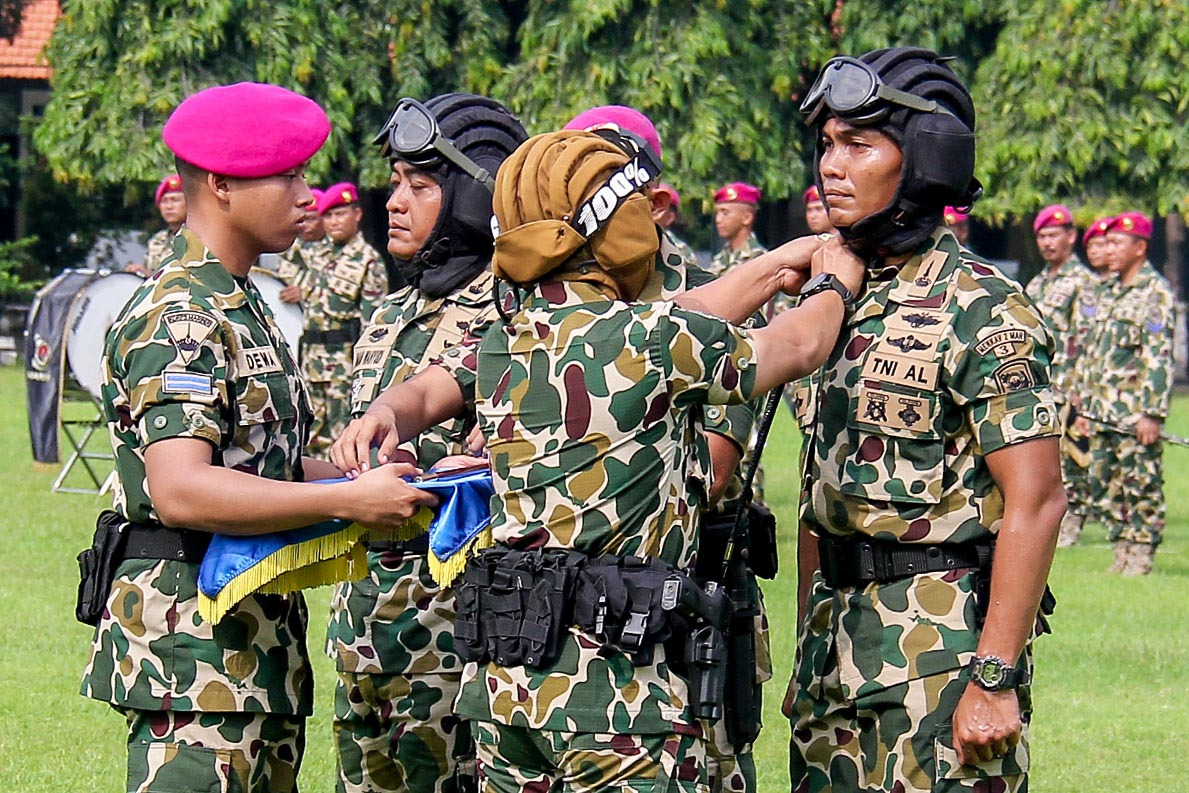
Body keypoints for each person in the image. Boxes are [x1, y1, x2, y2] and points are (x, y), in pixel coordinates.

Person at [332, 129, 865, 791]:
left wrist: (773, 264)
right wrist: (833, 282)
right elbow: (799, 344)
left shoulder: (508, 340)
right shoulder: (652, 341)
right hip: (615, 698)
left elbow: (682, 312)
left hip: (507, 689)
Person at [79, 82, 437, 793]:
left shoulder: (238, 301)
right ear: (220, 185)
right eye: (287, 176)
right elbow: (182, 488)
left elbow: (259, 464)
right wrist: (347, 500)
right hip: (194, 656)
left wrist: (376, 478)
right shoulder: (181, 313)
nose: (306, 197)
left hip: (250, 651)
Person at [787, 47, 1065, 793]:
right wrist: (805, 651)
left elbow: (1037, 498)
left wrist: (994, 678)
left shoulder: (981, 306)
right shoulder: (832, 297)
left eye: (858, 145)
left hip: (937, 659)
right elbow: (820, 494)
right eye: (827, 144)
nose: (831, 166)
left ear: (924, 164)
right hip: (832, 654)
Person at [567, 103, 772, 793]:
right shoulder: (560, 297)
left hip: (689, 600)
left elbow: (712, 467)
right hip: (584, 610)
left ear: (654, 202)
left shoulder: (708, 301)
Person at [325, 92, 527, 793]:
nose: (395, 202)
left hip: (457, 635)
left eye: (420, 184)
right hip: (364, 627)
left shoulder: (520, 312)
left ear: (473, 197)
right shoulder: (389, 313)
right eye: (394, 182)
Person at [1073, 212, 1173, 575]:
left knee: (1141, 482)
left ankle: (1141, 551)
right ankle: (1121, 549)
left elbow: (1158, 356)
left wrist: (1152, 414)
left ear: (1140, 248)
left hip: (1133, 412)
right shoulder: (1108, 292)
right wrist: (1084, 405)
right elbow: (1093, 352)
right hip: (1101, 410)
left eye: (1117, 243)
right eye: (1108, 243)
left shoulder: (1154, 294)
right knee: (1105, 483)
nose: (1109, 250)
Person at [1024, 204, 1097, 546]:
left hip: (1068, 385)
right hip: (1040, 384)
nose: (1047, 243)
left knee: (1071, 458)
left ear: (1071, 237)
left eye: (1054, 235)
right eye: (1042, 236)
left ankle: (1072, 524)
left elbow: (1088, 340)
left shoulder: (1082, 283)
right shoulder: (1038, 282)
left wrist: (1081, 391)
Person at [299, 181, 389, 457]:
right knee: (309, 437)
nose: (334, 222)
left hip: (344, 367)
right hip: (311, 363)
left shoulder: (367, 260)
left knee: (341, 440)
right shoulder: (316, 256)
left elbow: (374, 326)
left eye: (340, 214)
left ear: (357, 214)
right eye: (328, 215)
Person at [125, 174, 187, 276]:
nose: (169, 206)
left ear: (189, 203)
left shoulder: (200, 238)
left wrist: (151, 276)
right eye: (164, 201)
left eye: (175, 200)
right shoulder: (158, 240)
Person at [706, 181, 766, 276]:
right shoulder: (720, 258)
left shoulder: (761, 261)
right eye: (717, 213)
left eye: (725, 213)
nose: (718, 219)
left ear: (747, 218)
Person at [276, 186, 327, 294]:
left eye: (311, 219)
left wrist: (304, 294)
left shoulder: (335, 252)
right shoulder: (289, 248)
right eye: (301, 220)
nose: (305, 225)